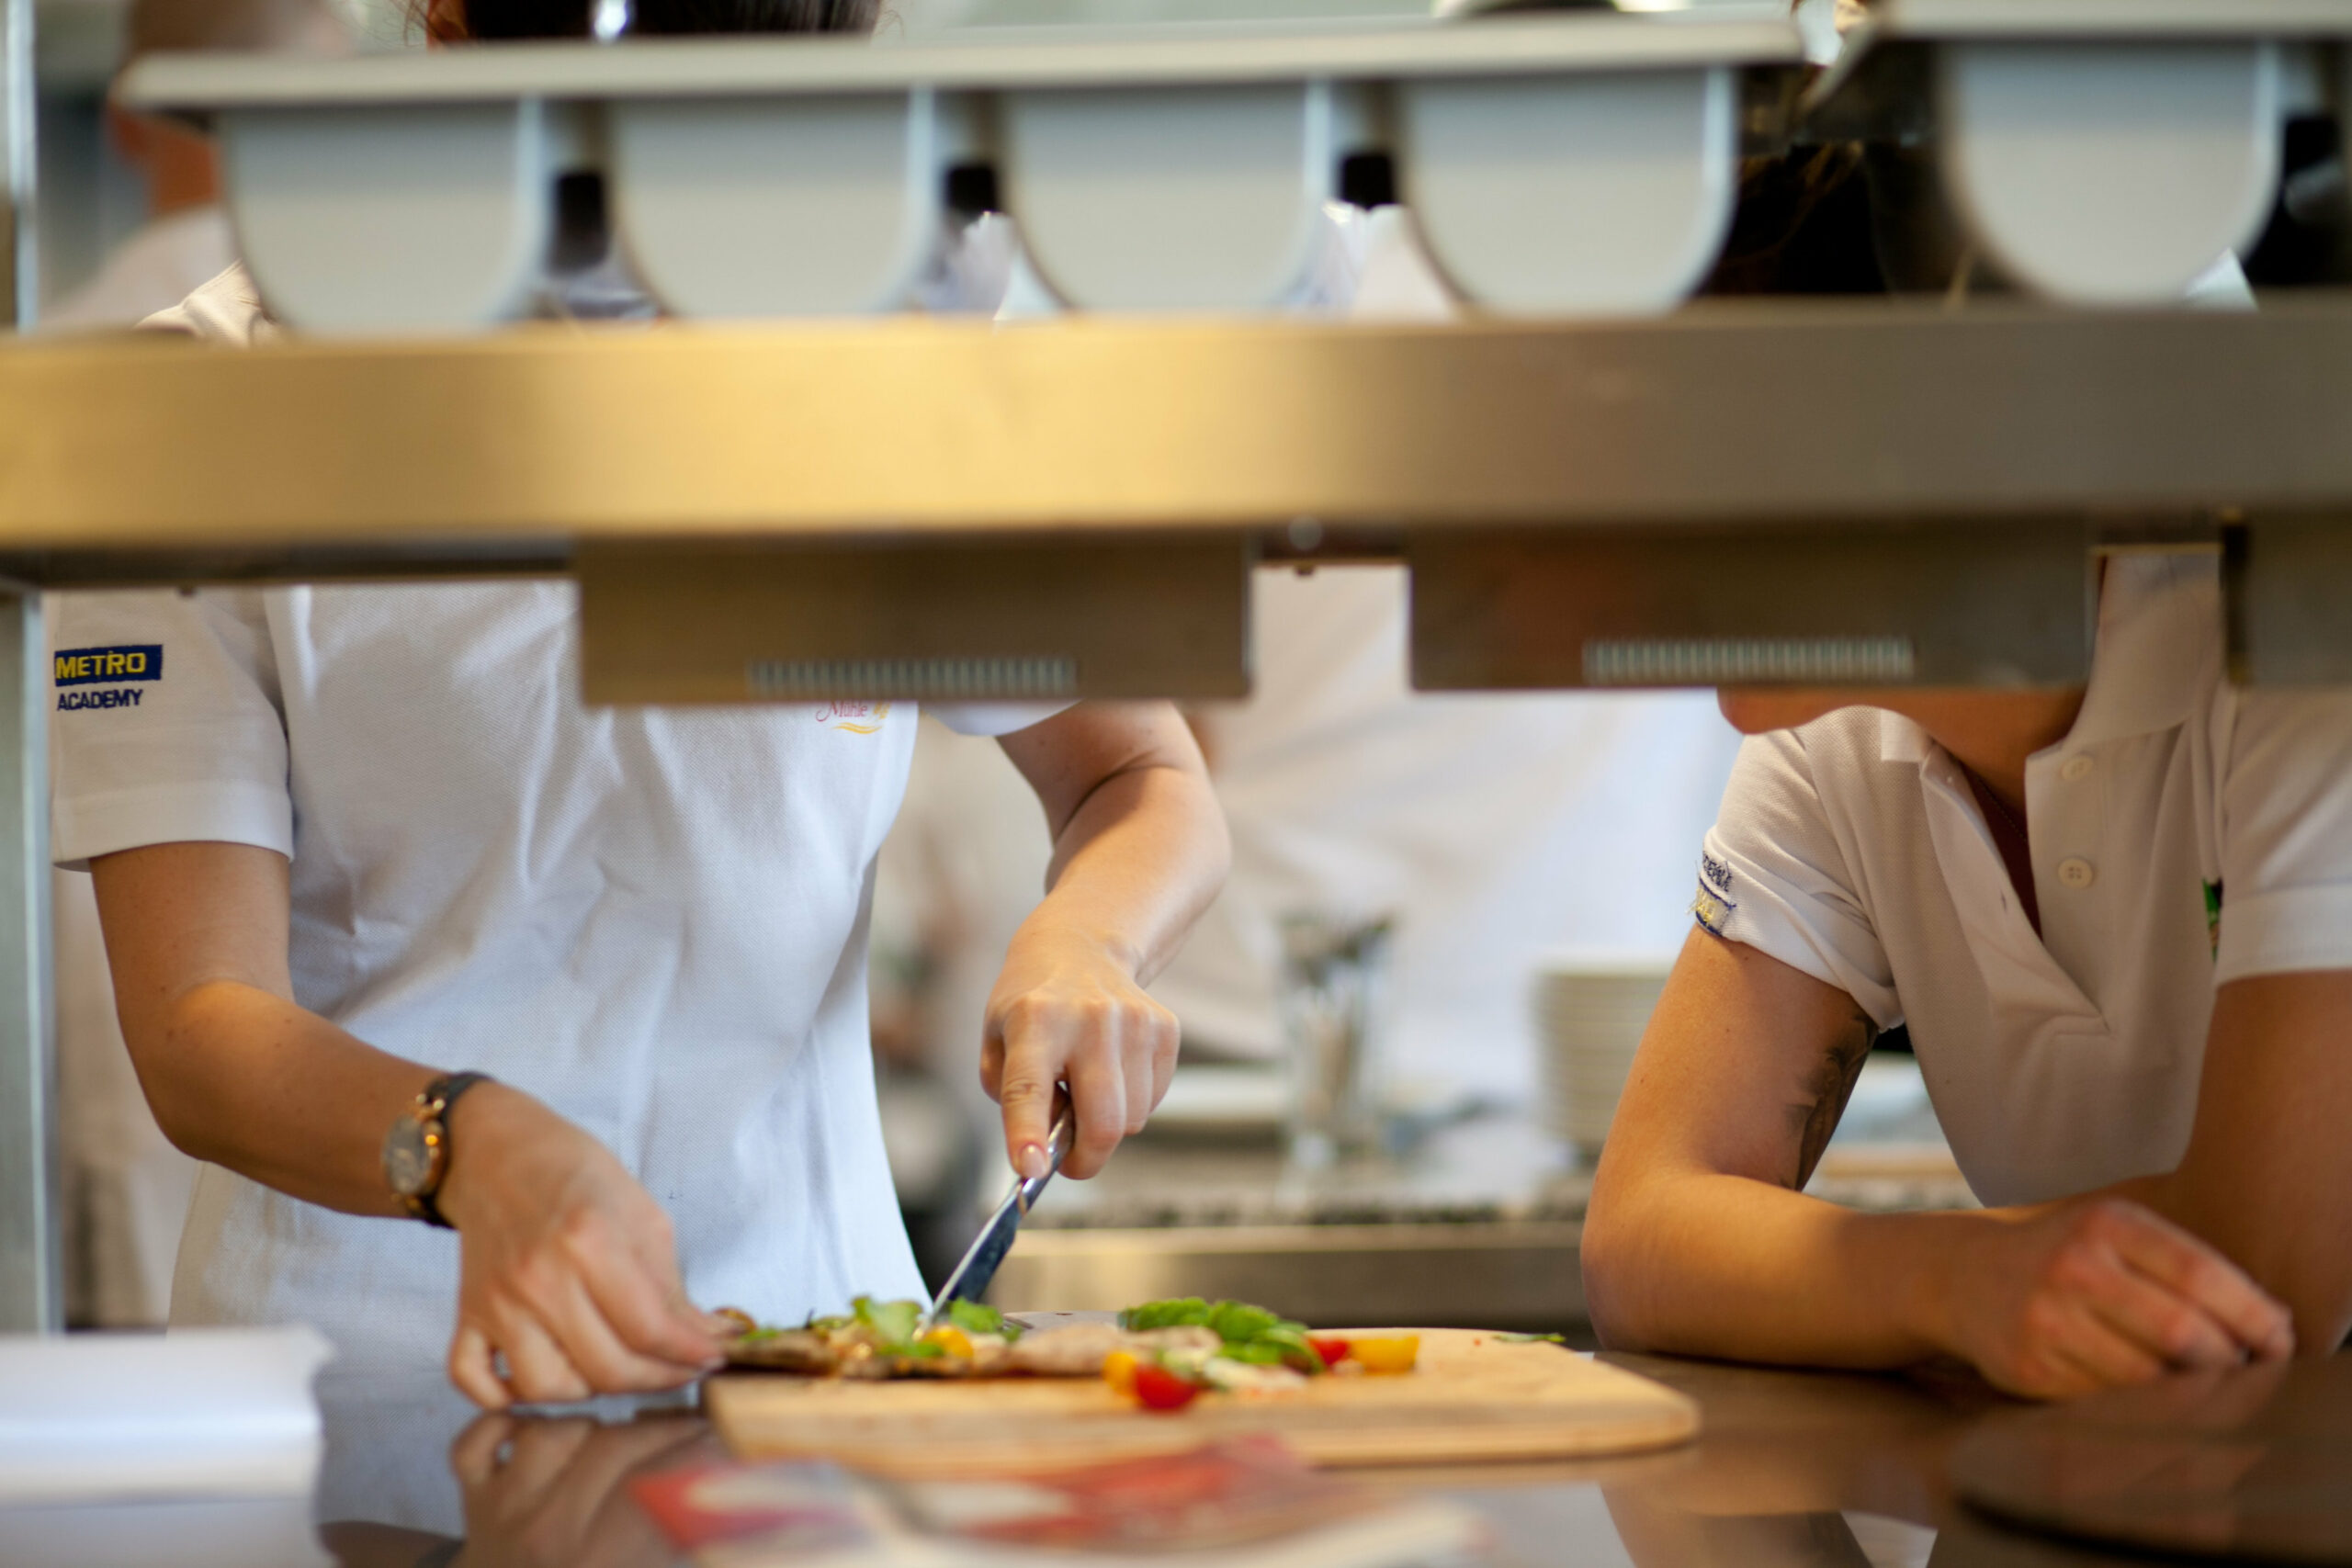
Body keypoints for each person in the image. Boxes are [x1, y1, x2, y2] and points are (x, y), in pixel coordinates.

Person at [56, 0, 1226, 1411]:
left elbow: (1139, 773)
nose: (669, 218)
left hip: (812, 1359)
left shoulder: (893, 365)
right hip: (372, 1387)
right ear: (449, 23)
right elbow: (197, 1018)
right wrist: (472, 1144)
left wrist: (1088, 939)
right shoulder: (205, 399)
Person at [1581, 550, 2352, 1397]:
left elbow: (2275, 1266)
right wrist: (1953, 1275)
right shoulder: (1827, 736)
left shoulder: (2302, 652)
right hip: (2113, 1456)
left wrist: (1935, 1275)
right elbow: (1636, 1233)